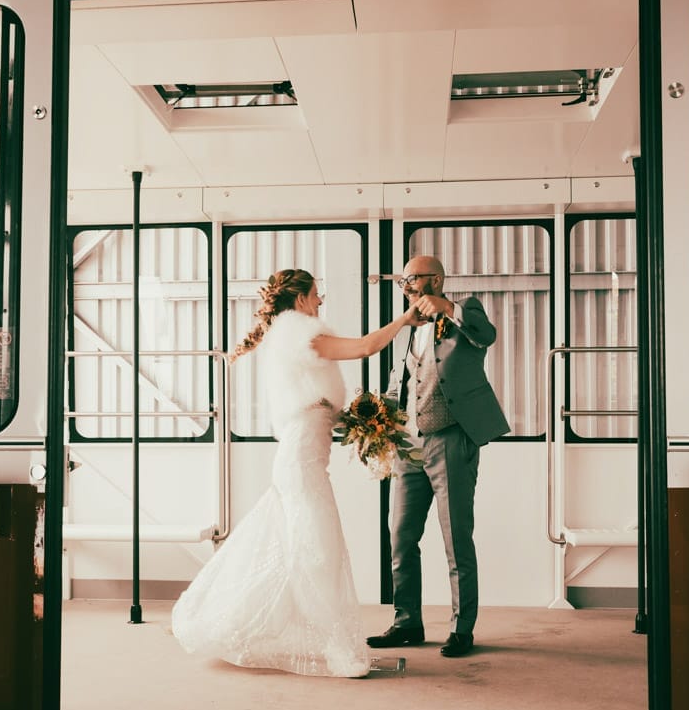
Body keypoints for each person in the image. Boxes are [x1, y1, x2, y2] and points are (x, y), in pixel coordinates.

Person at [171, 268, 420, 678]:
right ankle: (338, 649)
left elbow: (312, 403)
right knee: (318, 552)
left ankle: (297, 634)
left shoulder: (287, 337)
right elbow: (364, 347)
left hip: (301, 457)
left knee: (307, 548)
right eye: (317, 295)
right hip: (302, 462)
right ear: (301, 298)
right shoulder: (301, 333)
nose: (321, 302)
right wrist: (405, 319)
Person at [367, 255, 509, 658]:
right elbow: (407, 379)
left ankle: (462, 628)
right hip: (408, 443)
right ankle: (406, 621)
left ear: (437, 280)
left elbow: (486, 335)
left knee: (455, 538)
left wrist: (449, 308)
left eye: (412, 279)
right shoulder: (408, 325)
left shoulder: (467, 311)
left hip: (450, 437)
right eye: (404, 280)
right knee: (400, 536)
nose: (407, 285)